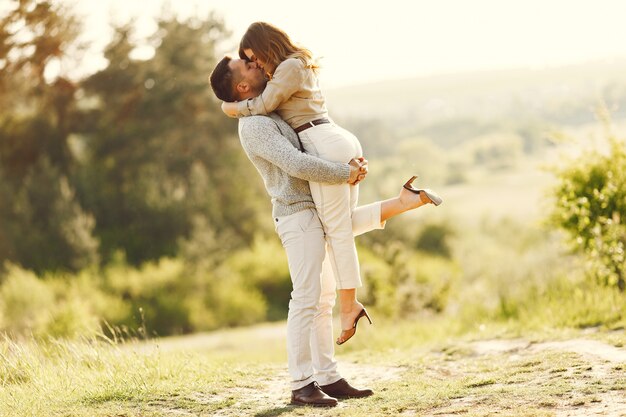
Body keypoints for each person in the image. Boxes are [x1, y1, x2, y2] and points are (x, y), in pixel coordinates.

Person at [209, 55, 441, 407]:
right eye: (247, 67)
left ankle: (328, 377)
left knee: (323, 300)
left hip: (312, 208)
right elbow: (295, 163)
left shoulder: (265, 112)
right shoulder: (254, 127)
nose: (255, 65)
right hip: (296, 215)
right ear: (242, 86)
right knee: (305, 299)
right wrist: (342, 173)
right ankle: (301, 384)